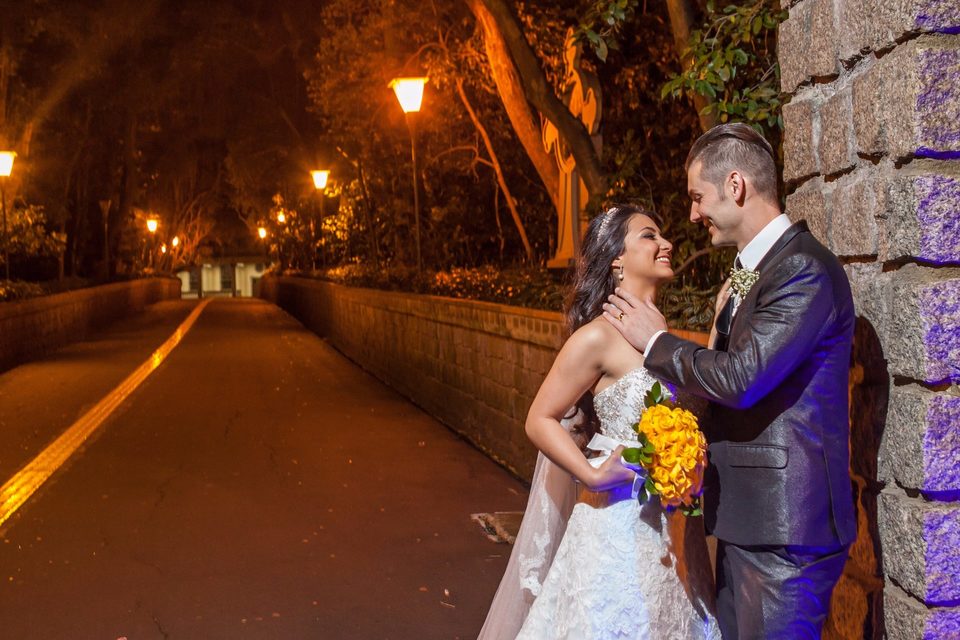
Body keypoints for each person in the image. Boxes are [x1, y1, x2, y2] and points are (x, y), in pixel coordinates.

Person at [603, 123, 856, 639]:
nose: (693, 214)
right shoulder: (756, 272)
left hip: (786, 533)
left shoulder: (802, 270)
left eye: (699, 197)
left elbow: (742, 378)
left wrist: (658, 343)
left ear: (735, 187)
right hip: (751, 521)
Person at [479, 204, 719, 639]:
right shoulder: (596, 336)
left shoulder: (666, 337)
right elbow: (539, 418)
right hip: (616, 530)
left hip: (677, 534)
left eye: (662, 236)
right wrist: (590, 471)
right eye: (649, 235)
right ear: (616, 259)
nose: (665, 243)